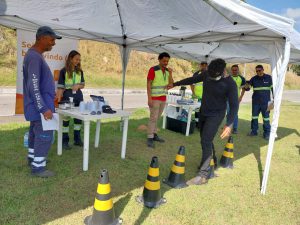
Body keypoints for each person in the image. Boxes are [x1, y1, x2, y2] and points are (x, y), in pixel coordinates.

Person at [168, 58, 238, 185]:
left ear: (222, 72)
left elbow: (234, 105)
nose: (210, 77)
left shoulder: (230, 83)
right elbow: (192, 80)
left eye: (213, 76)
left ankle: (203, 175)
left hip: (216, 115)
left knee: (205, 140)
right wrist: (175, 84)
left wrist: (229, 124)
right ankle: (212, 161)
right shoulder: (207, 73)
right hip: (204, 111)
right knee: (205, 138)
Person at [23, 26, 62, 177]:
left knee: (34, 133)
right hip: (40, 107)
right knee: (44, 134)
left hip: (37, 106)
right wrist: (43, 108)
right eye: (52, 39)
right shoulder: (34, 56)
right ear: (42, 38)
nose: (53, 43)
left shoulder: (34, 55)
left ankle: (33, 158)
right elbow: (33, 86)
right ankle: (38, 167)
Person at [57, 50, 85, 149]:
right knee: (66, 119)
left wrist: (78, 85)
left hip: (78, 96)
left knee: (78, 119)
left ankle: (77, 140)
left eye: (79, 60)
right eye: (76, 59)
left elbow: (83, 85)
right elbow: (60, 87)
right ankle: (65, 141)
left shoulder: (80, 71)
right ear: (70, 59)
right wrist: (59, 99)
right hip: (67, 96)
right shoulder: (63, 71)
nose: (78, 61)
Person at [147, 52, 174, 148]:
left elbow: (171, 84)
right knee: (153, 118)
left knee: (157, 117)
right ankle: (150, 137)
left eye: (167, 61)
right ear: (159, 60)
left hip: (163, 98)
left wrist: (170, 73)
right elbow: (148, 84)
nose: (166, 63)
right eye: (164, 61)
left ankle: (154, 134)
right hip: (154, 98)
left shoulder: (167, 71)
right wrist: (149, 98)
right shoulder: (153, 69)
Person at [245, 65, 273, 140]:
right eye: (257, 71)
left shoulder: (269, 78)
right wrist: (246, 85)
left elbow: (273, 89)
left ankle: (267, 133)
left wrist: (274, 100)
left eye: (259, 70)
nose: (258, 72)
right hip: (255, 102)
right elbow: (247, 88)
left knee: (266, 118)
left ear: (263, 70)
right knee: (254, 117)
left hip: (267, 103)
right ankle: (254, 131)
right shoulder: (254, 79)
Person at [226, 64, 246, 134]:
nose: (234, 71)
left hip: (236, 99)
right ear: (231, 70)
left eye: (236, 70)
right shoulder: (228, 78)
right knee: (228, 113)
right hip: (228, 99)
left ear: (238, 70)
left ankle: (235, 128)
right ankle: (228, 127)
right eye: (233, 70)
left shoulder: (242, 79)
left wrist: (240, 97)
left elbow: (244, 89)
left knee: (235, 114)